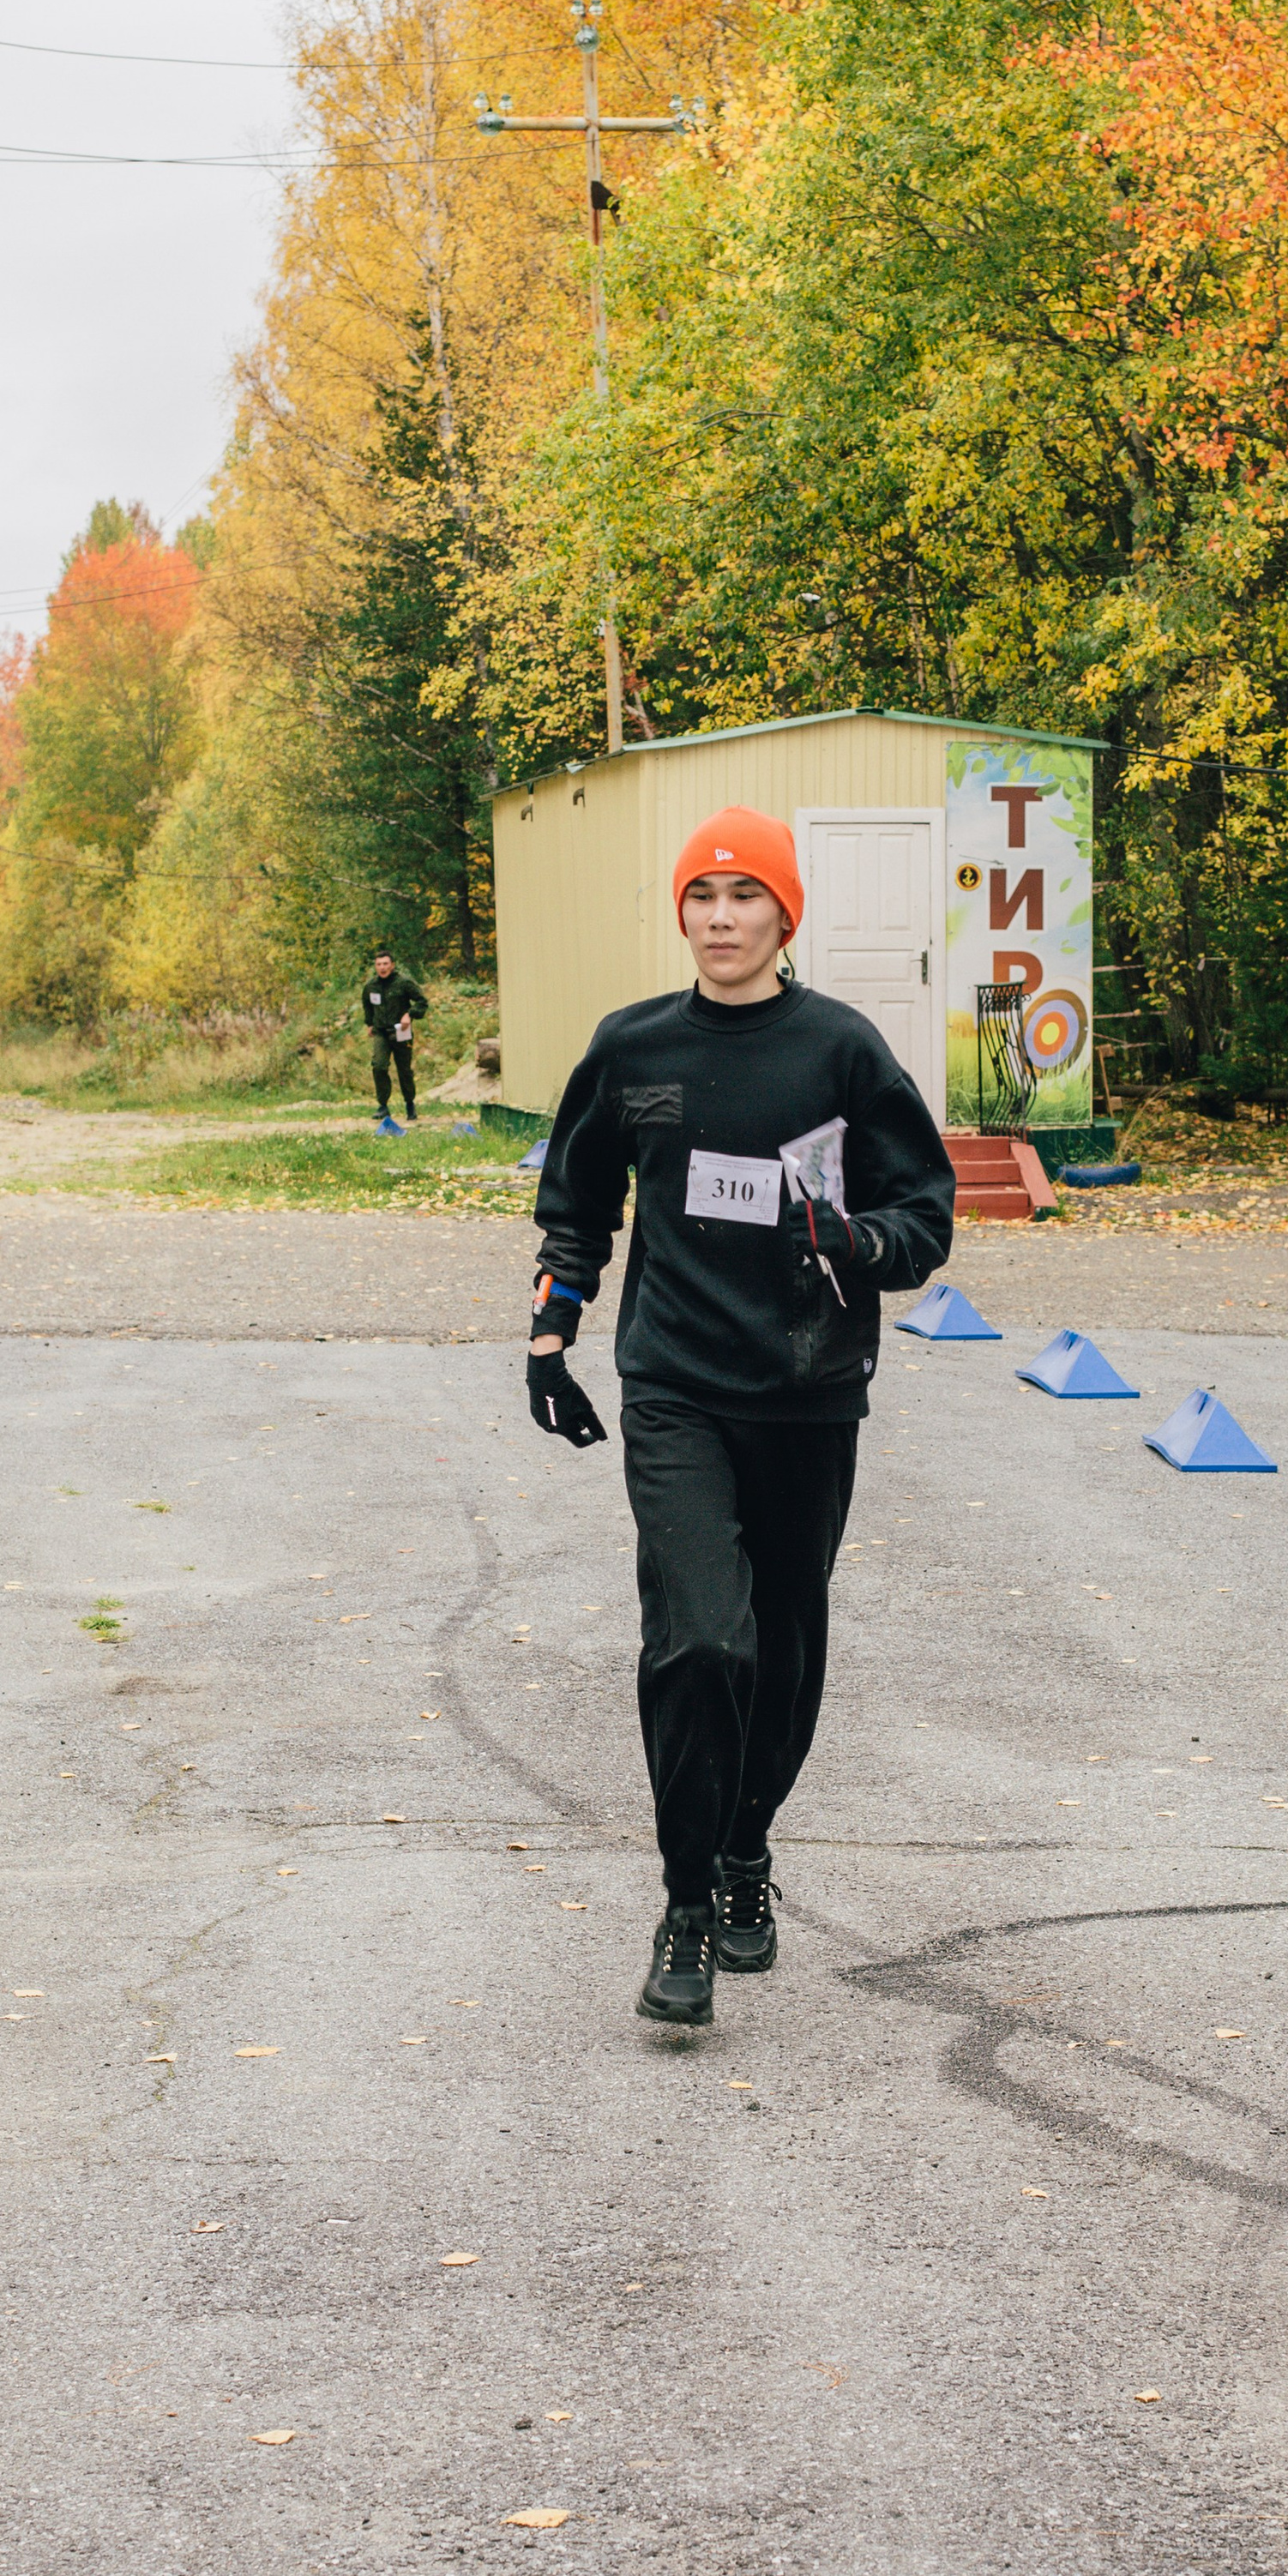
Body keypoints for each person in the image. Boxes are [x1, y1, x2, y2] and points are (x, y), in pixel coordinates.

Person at [528, 805, 955, 2028]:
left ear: (783, 915)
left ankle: (744, 1847)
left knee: (784, 1649)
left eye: (743, 898)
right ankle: (683, 1904)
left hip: (808, 1391)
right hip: (674, 1386)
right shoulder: (633, 1048)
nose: (720, 919)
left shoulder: (839, 1050)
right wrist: (553, 1330)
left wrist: (864, 1240)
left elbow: (921, 1214)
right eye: (701, 898)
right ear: (682, 913)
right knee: (700, 1640)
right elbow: (579, 1201)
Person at [361, 948, 428, 1129]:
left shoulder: (404, 983)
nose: (382, 968)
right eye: (378, 964)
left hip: (400, 1031)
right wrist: (369, 1023)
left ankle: (410, 1104)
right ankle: (383, 1105)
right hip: (381, 1032)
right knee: (379, 1065)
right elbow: (367, 1005)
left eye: (385, 964)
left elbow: (422, 1002)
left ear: (392, 965)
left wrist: (410, 1014)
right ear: (375, 967)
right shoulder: (371, 986)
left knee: (404, 1070)